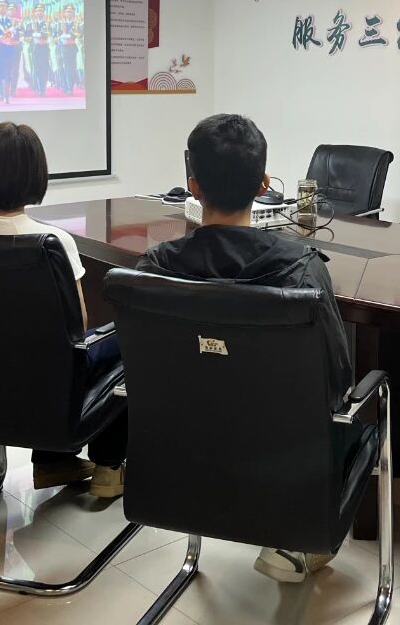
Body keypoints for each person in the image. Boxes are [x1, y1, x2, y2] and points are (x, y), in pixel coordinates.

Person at [136, 114, 353, 584]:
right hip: (281, 456)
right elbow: (337, 379)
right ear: (263, 185)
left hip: (182, 450)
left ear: (193, 186)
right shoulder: (300, 269)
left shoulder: (154, 267)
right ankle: (297, 540)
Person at [0, 122, 124, 497]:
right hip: (41, 387)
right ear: (36, 176)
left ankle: (55, 462)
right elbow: (78, 327)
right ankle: (108, 466)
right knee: (127, 338)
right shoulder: (52, 242)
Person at [27, 5, 52, 98]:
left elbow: (48, 34)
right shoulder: (30, 25)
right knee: (37, 69)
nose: (39, 13)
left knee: (44, 69)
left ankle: (43, 89)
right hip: (35, 49)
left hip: (44, 49)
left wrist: (37, 35)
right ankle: (38, 88)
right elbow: (27, 36)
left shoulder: (47, 24)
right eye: (37, 11)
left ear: (44, 13)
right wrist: (36, 36)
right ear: (35, 13)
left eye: (41, 11)